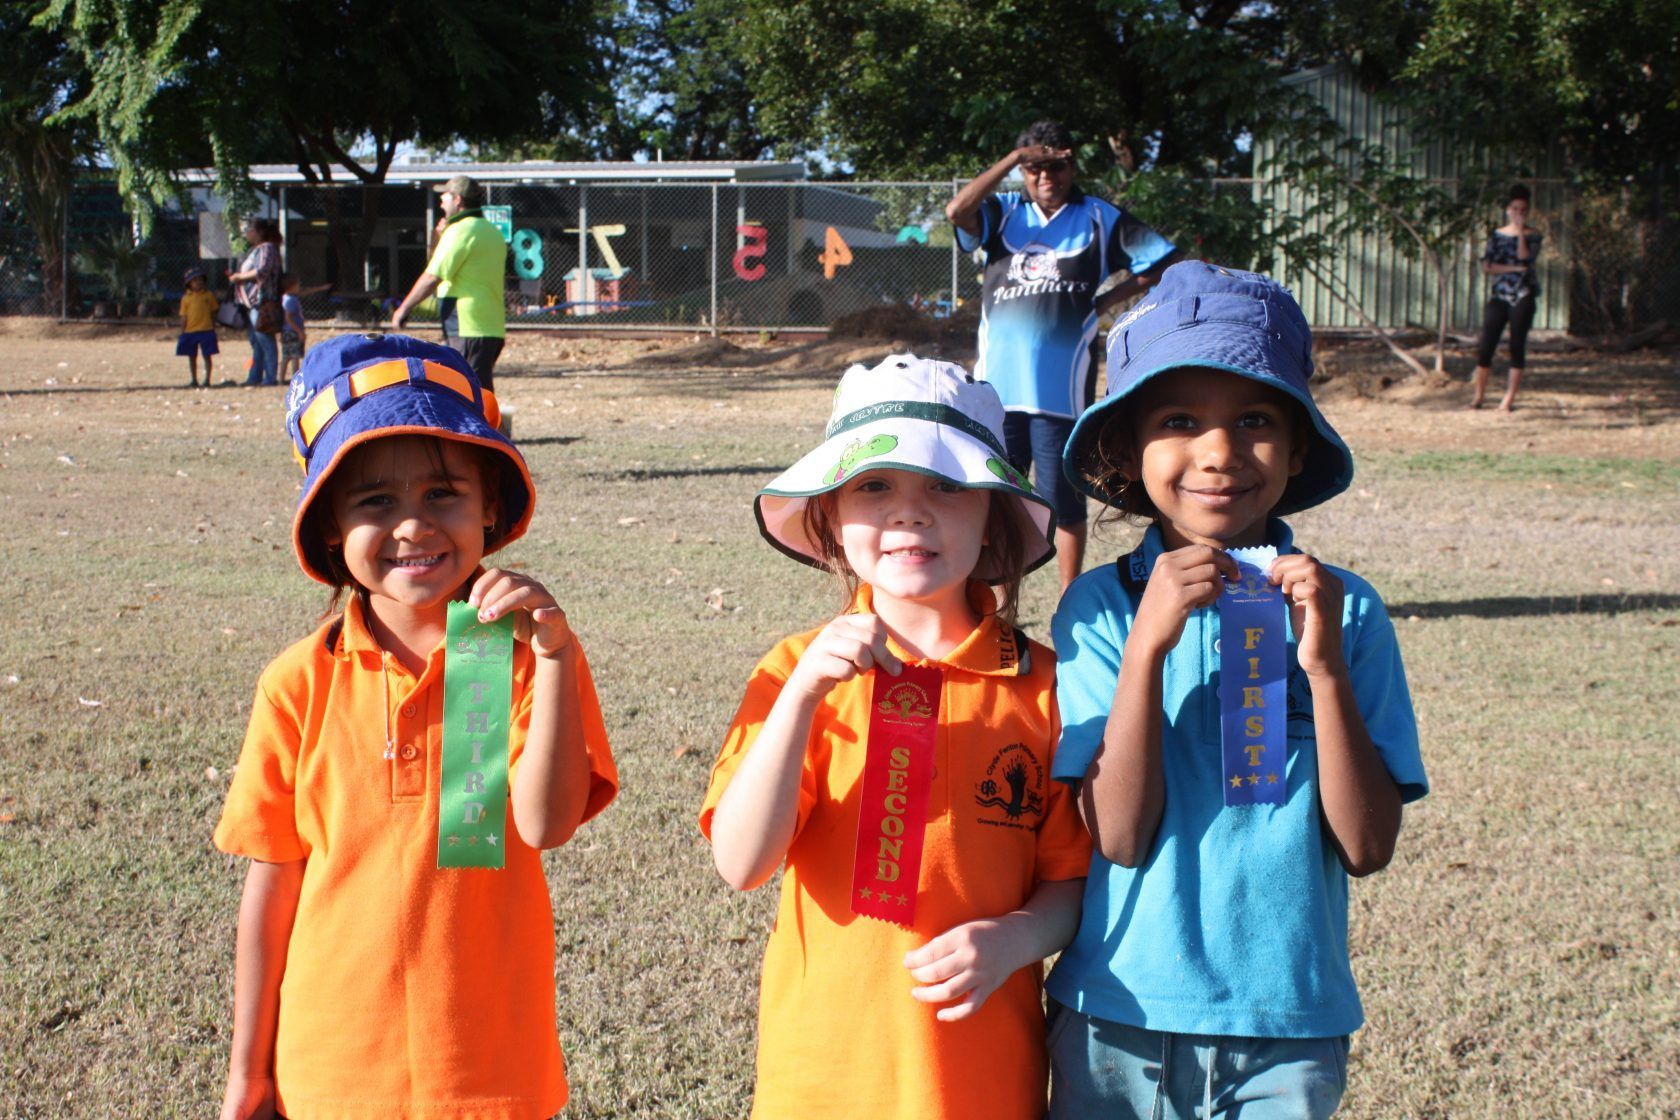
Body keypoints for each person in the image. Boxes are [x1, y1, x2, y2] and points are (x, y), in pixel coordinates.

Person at [1047, 262, 1428, 1119]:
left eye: (1255, 420)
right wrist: (1147, 646)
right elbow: (1117, 833)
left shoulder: (1349, 610)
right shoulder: (1098, 608)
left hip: (1289, 1025)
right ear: (1125, 446)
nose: (1219, 453)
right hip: (1118, 1016)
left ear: (1297, 450)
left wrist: (1322, 669)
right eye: (1179, 421)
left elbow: (1368, 848)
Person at [213, 333, 618, 1120]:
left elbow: (546, 823)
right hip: (328, 1074)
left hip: (489, 1074)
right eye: (375, 501)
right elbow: (272, 887)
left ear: (490, 507)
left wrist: (560, 655)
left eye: (443, 494)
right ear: (330, 524)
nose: (412, 527)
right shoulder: (300, 681)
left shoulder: (522, 658)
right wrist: (247, 1073)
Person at [701, 354, 1093, 1120]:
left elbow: (1071, 885)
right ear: (830, 517)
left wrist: (1014, 939)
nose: (909, 513)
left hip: (980, 1083)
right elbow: (742, 863)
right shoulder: (791, 670)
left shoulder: (1043, 686)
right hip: (820, 1078)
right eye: (874, 486)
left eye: (945, 487)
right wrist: (803, 700)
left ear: (992, 521)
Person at [946, 119, 1179, 591]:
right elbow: (957, 210)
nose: (1045, 177)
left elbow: (1161, 261)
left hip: (1060, 391)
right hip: (998, 390)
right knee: (995, 497)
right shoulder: (1005, 212)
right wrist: (1016, 158)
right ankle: (993, 593)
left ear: (1073, 165)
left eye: (1056, 166)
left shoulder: (1098, 217)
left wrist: (1104, 302)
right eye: (1035, 168)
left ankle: (1070, 594)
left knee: (1064, 501)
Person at [391, 174, 509, 391]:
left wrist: (404, 308)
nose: (441, 200)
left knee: (468, 396)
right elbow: (441, 263)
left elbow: (433, 275)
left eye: (445, 194)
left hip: (467, 325)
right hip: (489, 325)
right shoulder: (490, 230)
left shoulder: (461, 231)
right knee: (477, 393)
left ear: (457, 200)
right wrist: (439, 236)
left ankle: (494, 426)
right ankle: (495, 425)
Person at [1471, 184, 1543, 412]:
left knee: (1516, 344)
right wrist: (1513, 268)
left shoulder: (1534, 236)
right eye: (1515, 208)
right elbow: (1488, 266)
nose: (1519, 213)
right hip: (1500, 294)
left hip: (1523, 294)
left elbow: (1525, 259)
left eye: (1523, 209)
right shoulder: (1497, 235)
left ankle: (1508, 400)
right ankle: (1479, 396)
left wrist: (1520, 231)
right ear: (1508, 209)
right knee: (1486, 345)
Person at [226, 217, 283, 387]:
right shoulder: (256, 249)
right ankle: (255, 376)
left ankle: (270, 376)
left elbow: (262, 271)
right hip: (251, 304)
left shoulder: (267, 248)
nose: (246, 234)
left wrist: (239, 277)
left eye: (249, 230)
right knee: (256, 342)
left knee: (265, 339)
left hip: (262, 302)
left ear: (257, 232)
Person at [276, 273, 328, 383]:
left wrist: (320, 288)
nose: (299, 286)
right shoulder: (290, 300)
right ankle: (295, 379)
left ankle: (281, 378)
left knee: (286, 356)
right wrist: (299, 331)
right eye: (298, 284)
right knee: (295, 356)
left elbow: (304, 292)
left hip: (286, 332)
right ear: (291, 286)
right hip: (293, 332)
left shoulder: (287, 297)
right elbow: (288, 318)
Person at [177, 266, 220, 387]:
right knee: (192, 356)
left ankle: (207, 379)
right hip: (190, 331)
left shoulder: (208, 296)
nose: (198, 282)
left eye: (200, 279)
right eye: (194, 280)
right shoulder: (186, 298)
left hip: (206, 330)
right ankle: (194, 379)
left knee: (207, 355)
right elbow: (183, 316)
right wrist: (182, 331)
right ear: (189, 283)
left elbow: (213, 311)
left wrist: (213, 326)